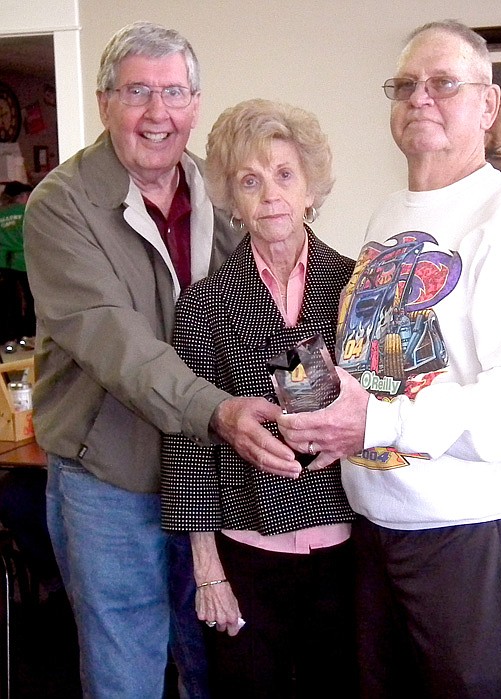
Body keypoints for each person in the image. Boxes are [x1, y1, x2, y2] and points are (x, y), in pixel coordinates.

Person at [279, 20, 501, 698]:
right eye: (405, 85)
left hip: (473, 531)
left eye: (443, 83)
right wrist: (339, 425)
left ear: (489, 105)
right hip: (382, 520)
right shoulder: (390, 212)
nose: (420, 98)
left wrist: (377, 426)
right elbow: (383, 362)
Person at [23, 22, 298, 699]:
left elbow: (270, 300)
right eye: (137, 91)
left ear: (196, 104)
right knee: (128, 667)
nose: (157, 113)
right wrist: (219, 410)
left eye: (174, 92)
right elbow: (116, 342)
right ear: (104, 101)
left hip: (208, 473)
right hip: (111, 478)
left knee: (214, 657)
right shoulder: (60, 207)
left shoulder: (223, 191)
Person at [161, 99, 357, 699]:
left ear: (310, 189)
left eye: (284, 174)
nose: (270, 194)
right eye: (250, 179)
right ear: (231, 199)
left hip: (346, 544)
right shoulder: (201, 305)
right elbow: (188, 439)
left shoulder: (354, 286)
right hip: (245, 547)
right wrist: (207, 567)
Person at [0, 180, 35, 342]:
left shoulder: (1, 213)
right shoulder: (28, 211)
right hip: (25, 261)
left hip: (4, 262)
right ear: (21, 196)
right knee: (30, 298)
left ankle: (9, 335)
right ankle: (29, 332)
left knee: (9, 300)